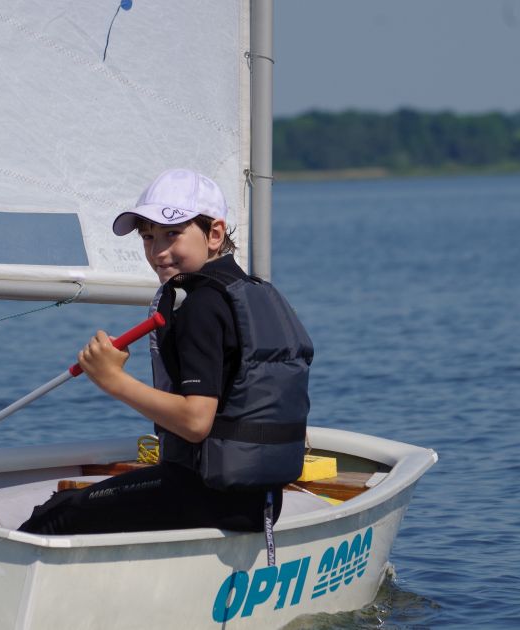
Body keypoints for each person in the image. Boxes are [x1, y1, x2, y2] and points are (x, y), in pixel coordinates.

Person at [19, 168, 313, 536]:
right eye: (148, 237)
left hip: (206, 494)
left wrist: (112, 380)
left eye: (172, 234)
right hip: (261, 499)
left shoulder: (201, 306)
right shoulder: (255, 292)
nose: (158, 252)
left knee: (55, 514)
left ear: (215, 234)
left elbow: (195, 422)